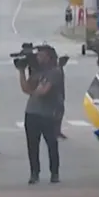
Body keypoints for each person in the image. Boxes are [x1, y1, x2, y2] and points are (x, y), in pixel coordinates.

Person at [19, 46, 64, 184]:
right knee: (32, 145)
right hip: (32, 112)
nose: (38, 58)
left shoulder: (54, 72)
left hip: (48, 113)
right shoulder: (38, 72)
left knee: (51, 143)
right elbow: (26, 88)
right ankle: (34, 172)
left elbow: (43, 91)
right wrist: (21, 71)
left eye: (41, 55)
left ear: (49, 57)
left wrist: (35, 88)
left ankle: (54, 172)